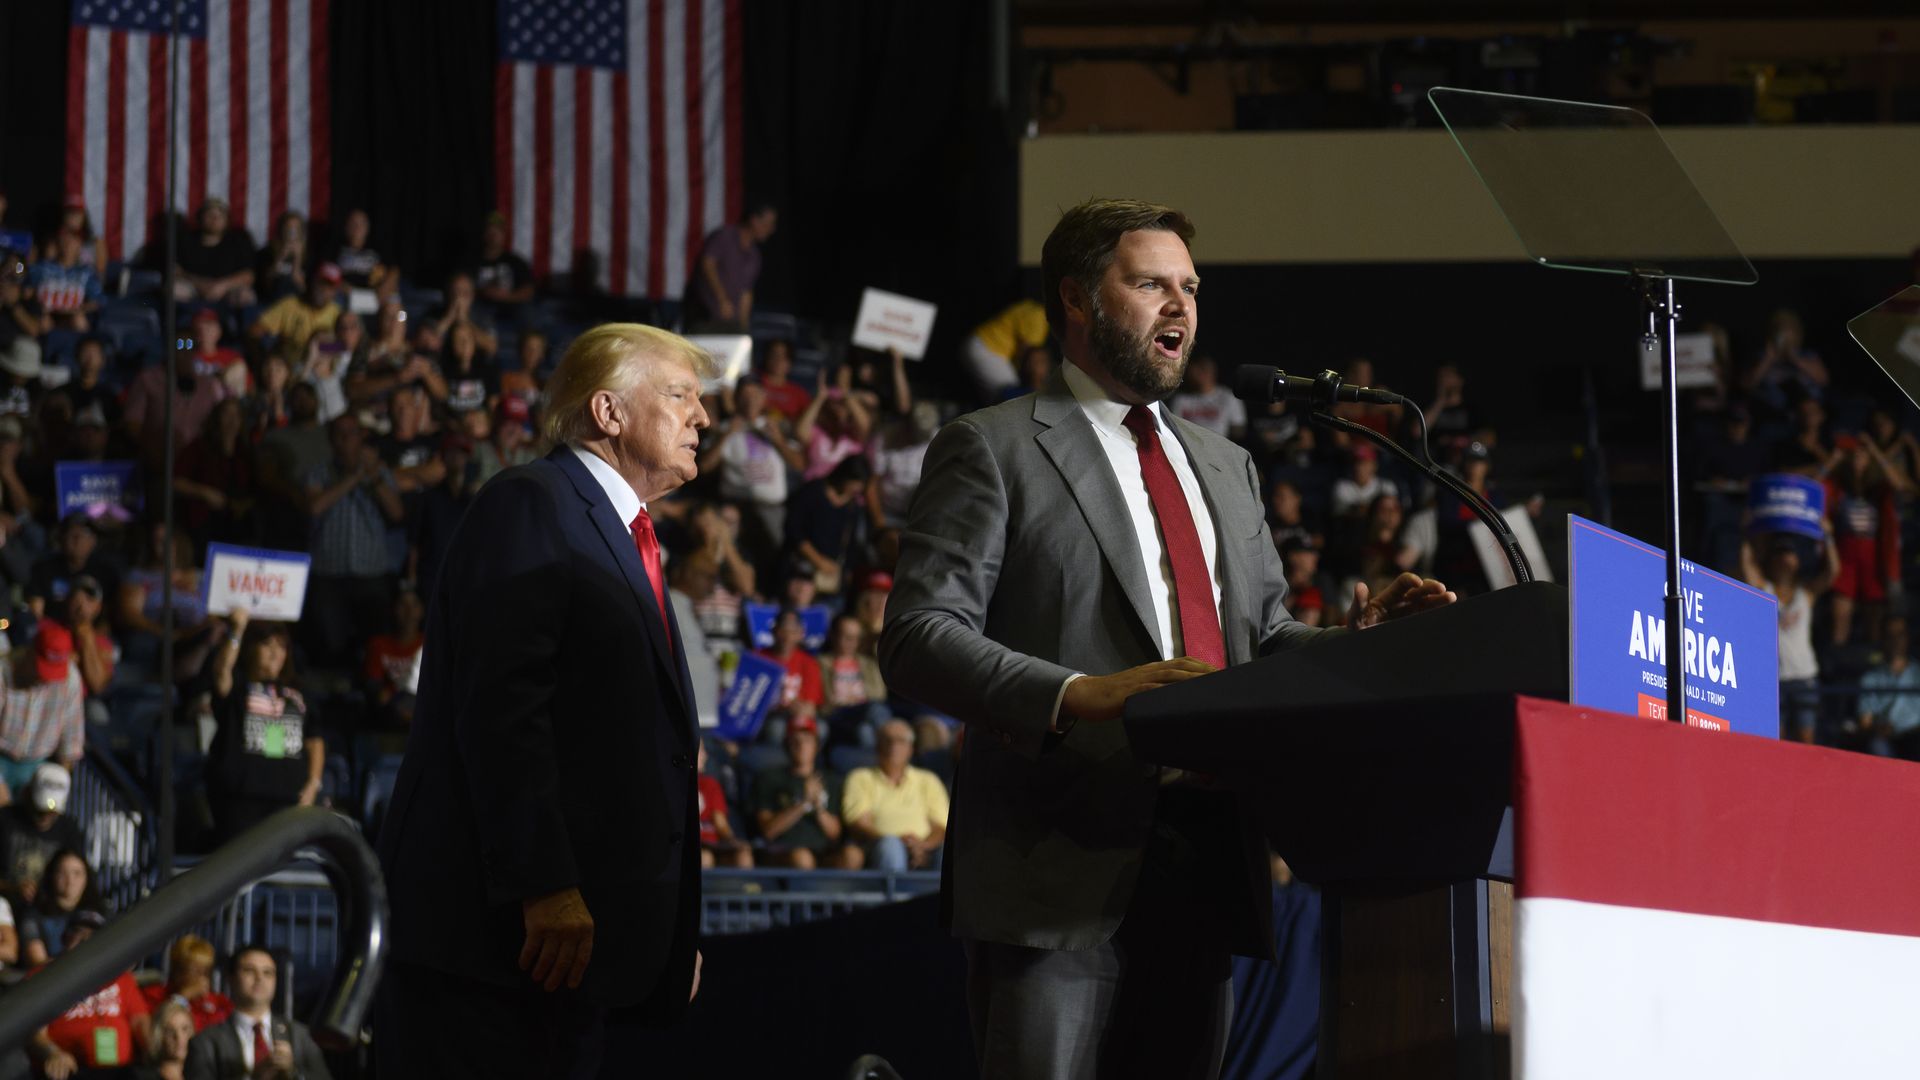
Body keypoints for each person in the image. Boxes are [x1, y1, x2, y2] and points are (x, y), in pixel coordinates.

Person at [879, 198, 1453, 1078]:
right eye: (1150, 284)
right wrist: (1074, 695)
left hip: (1207, 857)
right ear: (1078, 298)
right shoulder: (991, 446)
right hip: (1056, 864)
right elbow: (919, 634)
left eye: (1189, 287)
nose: (1180, 306)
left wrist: (1355, 643)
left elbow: (1261, 639)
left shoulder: (1226, 464)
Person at [377, 323, 712, 1077]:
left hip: (572, 955)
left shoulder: (625, 536)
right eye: (681, 395)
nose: (703, 417)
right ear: (609, 411)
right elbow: (502, 708)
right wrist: (544, 884)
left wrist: (660, 936)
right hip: (494, 951)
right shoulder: (531, 502)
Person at [204, 610, 324, 841]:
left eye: (281, 647)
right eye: (268, 645)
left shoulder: (298, 694)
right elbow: (221, 672)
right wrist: (237, 630)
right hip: (240, 799)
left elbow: (314, 740)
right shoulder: (238, 687)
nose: (275, 654)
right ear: (251, 650)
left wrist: (313, 783)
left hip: (289, 800)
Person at [1742, 527, 1839, 743]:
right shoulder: (1763, 589)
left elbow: (1832, 572)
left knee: (1807, 739)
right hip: (1774, 679)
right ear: (1771, 560)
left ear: (1797, 560)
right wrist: (1749, 531)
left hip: (1804, 676)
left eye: (1789, 553)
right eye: (1779, 554)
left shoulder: (1806, 593)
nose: (1784, 559)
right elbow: (1747, 567)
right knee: (1777, 739)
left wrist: (1828, 536)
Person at [183, 944, 332, 1080]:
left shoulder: (300, 1036)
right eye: (249, 970)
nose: (259, 978)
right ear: (231, 978)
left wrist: (293, 1073)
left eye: (268, 973)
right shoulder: (205, 1042)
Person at [30, 910, 151, 1077]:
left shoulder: (121, 977)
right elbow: (33, 1032)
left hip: (122, 1071)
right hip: (73, 1071)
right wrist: (52, 1053)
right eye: (79, 932)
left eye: (95, 935)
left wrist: (154, 1049)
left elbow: (140, 1021)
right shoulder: (44, 977)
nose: (86, 939)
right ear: (65, 938)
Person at [748, 714, 859, 870]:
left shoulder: (831, 780)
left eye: (807, 741)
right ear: (787, 745)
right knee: (802, 857)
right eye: (795, 741)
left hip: (824, 851)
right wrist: (803, 803)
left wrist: (818, 807)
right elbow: (769, 831)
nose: (801, 746)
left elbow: (835, 834)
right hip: (784, 852)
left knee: (853, 855)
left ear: (816, 746)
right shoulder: (769, 779)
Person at [688, 201, 775, 332]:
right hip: (705, 316)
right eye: (768, 224)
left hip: (730, 323)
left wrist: (744, 327)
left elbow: (746, 293)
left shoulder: (754, 255)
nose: (771, 229)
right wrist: (722, 299)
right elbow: (707, 264)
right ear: (754, 220)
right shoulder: (724, 237)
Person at [0, 763, 84, 896]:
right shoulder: (4, 819)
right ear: (28, 794)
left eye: (53, 812)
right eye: (40, 809)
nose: (46, 816)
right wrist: (11, 888)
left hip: (48, 908)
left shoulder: (69, 830)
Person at [19, 848, 101, 965]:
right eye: (62, 873)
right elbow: (37, 962)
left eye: (77, 873)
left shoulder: (100, 914)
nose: (70, 880)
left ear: (87, 877)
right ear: (51, 875)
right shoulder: (33, 915)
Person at [173, 198, 257, 309]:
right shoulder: (186, 240)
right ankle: (182, 324)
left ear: (227, 220)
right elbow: (175, 271)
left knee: (245, 296)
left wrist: (222, 286)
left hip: (227, 289)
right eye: (209, 215)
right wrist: (200, 285)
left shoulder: (239, 241)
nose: (214, 219)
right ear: (200, 217)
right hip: (193, 288)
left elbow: (248, 276)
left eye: (219, 216)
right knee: (173, 290)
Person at [962, 299, 1051, 402]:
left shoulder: (1032, 307)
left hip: (981, 345)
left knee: (997, 399)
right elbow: (1028, 357)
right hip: (988, 349)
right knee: (1012, 397)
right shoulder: (1039, 317)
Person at [141, 935, 234, 1033]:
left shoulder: (220, 1002)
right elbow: (158, 1031)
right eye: (195, 970)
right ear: (178, 970)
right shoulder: (153, 995)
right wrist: (183, 997)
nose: (202, 976)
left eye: (206, 971)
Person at [1862, 613, 1920, 760]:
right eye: (1890, 635)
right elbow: (1865, 722)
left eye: (1900, 634)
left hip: (1915, 735)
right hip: (1886, 738)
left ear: (1907, 638)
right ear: (1883, 639)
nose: (1895, 640)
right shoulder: (1870, 678)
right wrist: (1878, 728)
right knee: (1876, 745)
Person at [695, 741, 751, 869]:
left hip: (711, 843)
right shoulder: (673, 785)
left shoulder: (710, 784)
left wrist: (733, 841)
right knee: (704, 858)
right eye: (701, 750)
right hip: (690, 847)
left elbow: (721, 824)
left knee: (743, 856)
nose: (706, 756)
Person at [1167, 355, 1245, 441]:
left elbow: (1238, 429)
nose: (1199, 374)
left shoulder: (1228, 397)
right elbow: (1174, 427)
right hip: (1189, 446)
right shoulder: (1181, 399)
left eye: (1203, 370)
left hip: (1219, 446)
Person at [137, 999, 198, 1080]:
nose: (178, 1037)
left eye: (185, 1029)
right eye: (170, 1031)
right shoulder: (141, 1076)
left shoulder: (203, 1073)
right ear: (159, 1036)